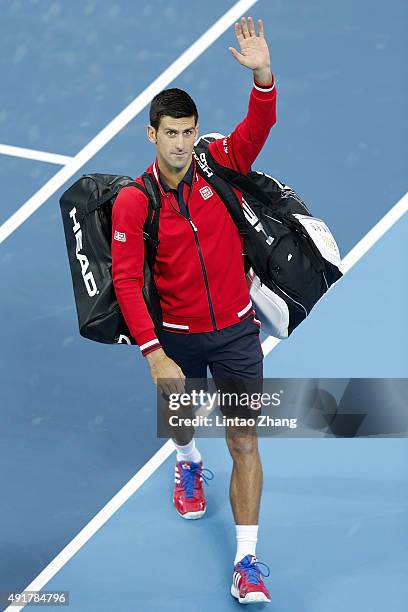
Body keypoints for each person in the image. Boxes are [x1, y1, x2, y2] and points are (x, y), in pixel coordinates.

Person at [111, 16, 276, 604]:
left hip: (235, 332)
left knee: (246, 444)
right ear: (150, 134)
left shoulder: (217, 164)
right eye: (172, 133)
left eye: (190, 131)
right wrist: (155, 354)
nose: (182, 143)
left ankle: (247, 561)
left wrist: (261, 74)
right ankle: (185, 459)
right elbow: (128, 282)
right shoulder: (134, 202)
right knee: (182, 421)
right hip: (176, 339)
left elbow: (257, 128)